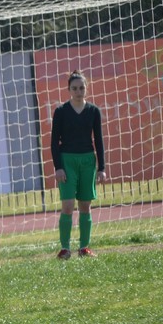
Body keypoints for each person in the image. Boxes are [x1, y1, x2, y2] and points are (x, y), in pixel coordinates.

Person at [51, 70, 107, 259]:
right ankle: (65, 249)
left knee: (85, 205)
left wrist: (101, 168)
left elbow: (98, 140)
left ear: (86, 89)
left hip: (87, 161)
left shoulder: (93, 111)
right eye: (74, 88)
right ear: (69, 90)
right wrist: (58, 167)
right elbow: (54, 142)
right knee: (67, 205)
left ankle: (84, 248)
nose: (78, 91)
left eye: (81, 88)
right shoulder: (60, 112)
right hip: (67, 161)